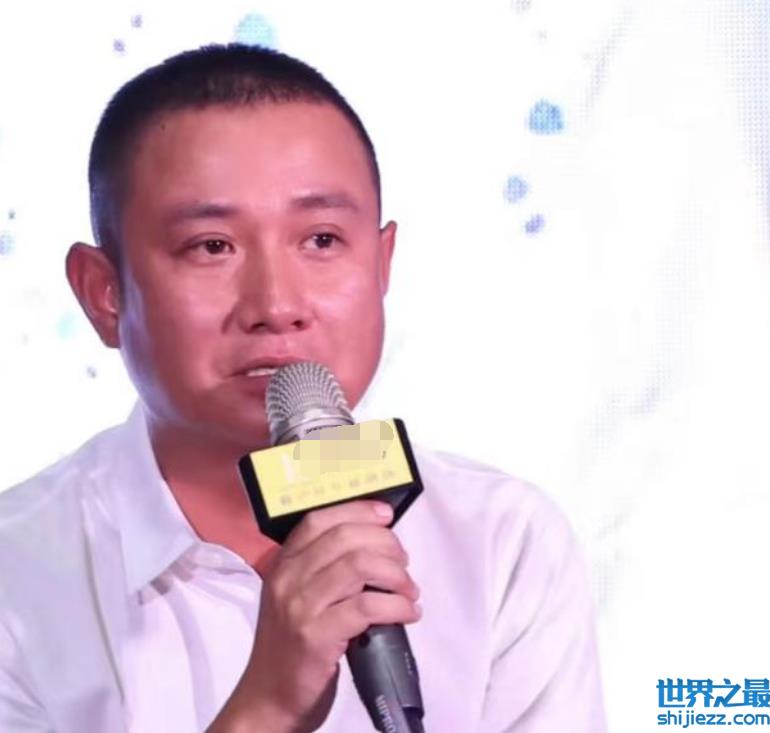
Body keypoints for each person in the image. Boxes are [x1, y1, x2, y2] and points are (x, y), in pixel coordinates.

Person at [0, 44, 606, 732]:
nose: (277, 304)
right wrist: (267, 707)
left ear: (381, 265)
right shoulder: (18, 574)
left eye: (320, 240)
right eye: (211, 246)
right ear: (104, 293)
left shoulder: (500, 541)